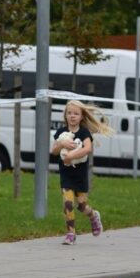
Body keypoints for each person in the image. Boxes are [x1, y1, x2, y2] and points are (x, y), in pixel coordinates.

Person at [51, 100, 114, 245]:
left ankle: (93, 216)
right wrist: (61, 144)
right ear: (65, 115)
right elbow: (54, 151)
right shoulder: (61, 132)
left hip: (80, 175)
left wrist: (71, 156)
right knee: (68, 203)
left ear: (81, 117)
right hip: (66, 174)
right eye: (69, 113)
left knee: (81, 205)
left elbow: (87, 149)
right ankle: (70, 233)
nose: (72, 116)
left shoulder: (84, 132)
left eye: (76, 113)